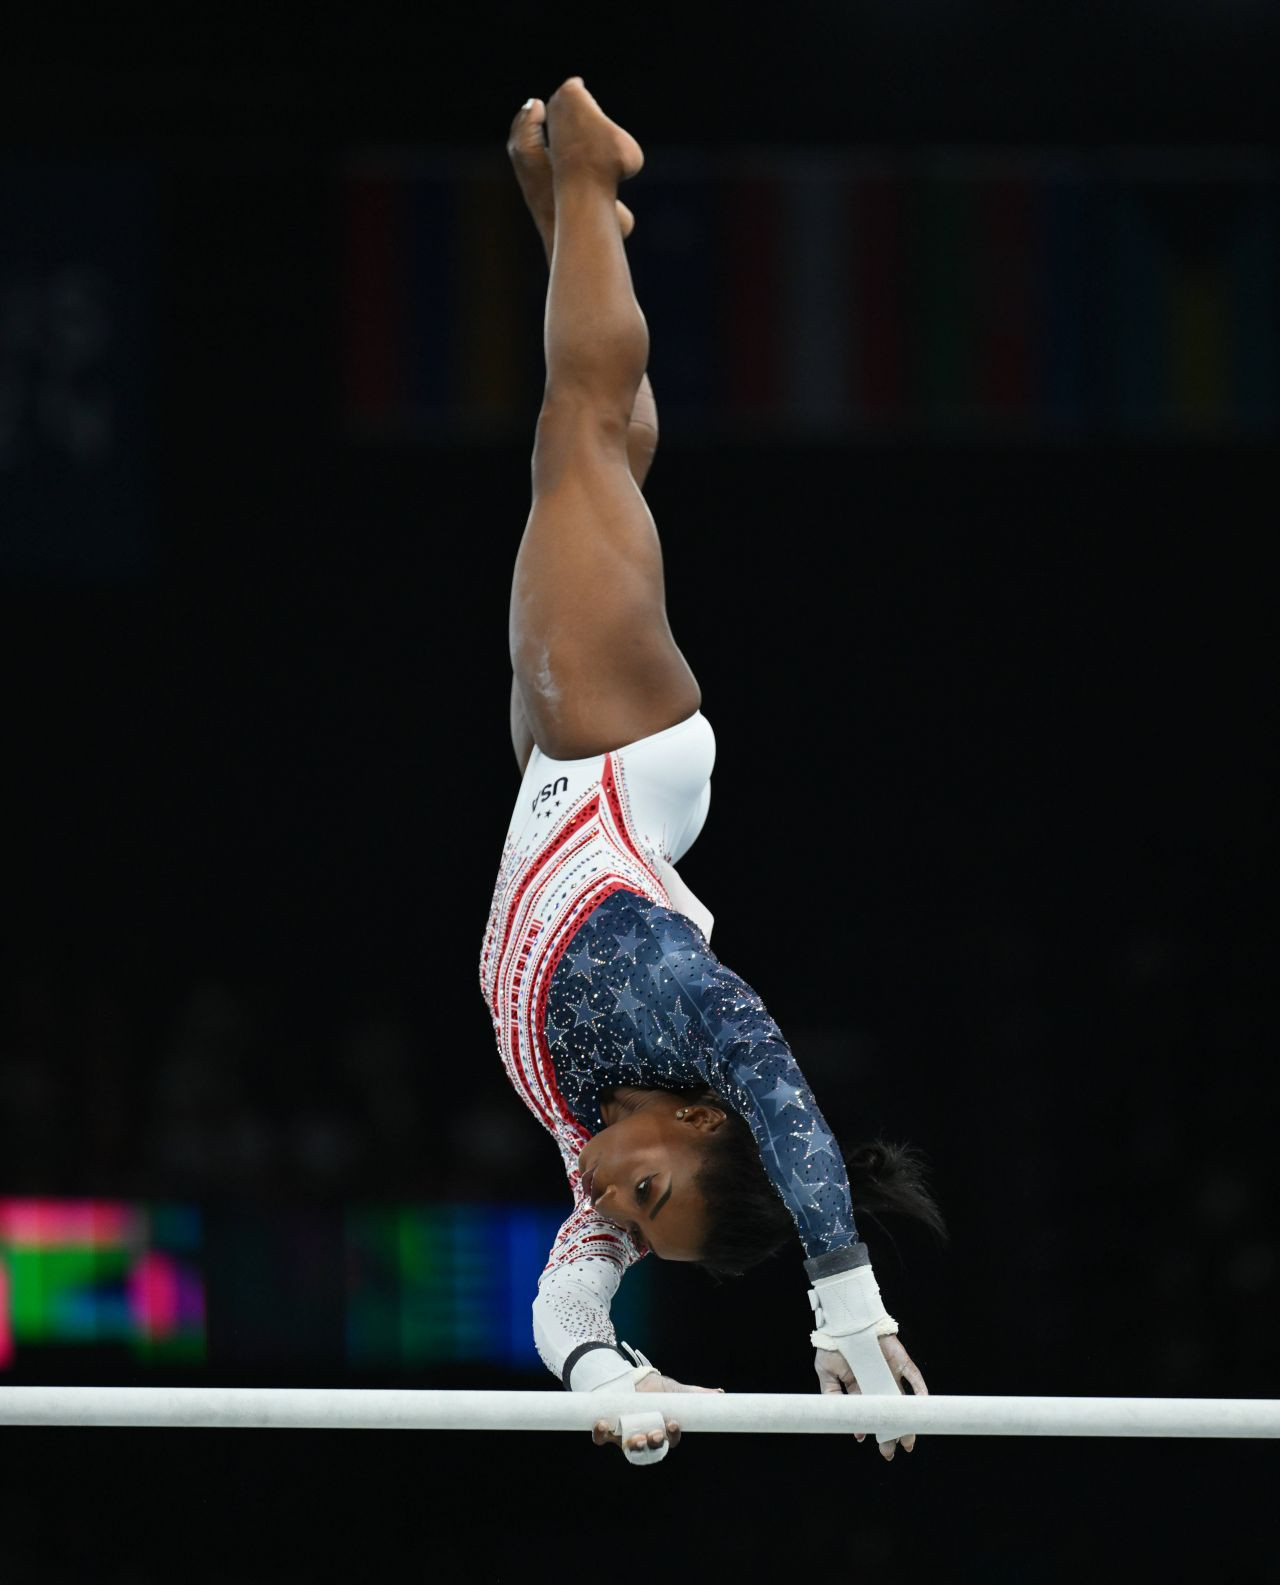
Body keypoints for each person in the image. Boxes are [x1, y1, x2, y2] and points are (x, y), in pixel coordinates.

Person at [480, 77, 945, 1466]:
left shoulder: (595, 1151)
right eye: (656, 1195)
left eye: (631, 1226)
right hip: (613, 740)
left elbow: (563, 1294)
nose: (615, 1207)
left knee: (605, 447)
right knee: (580, 421)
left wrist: (608, 1372)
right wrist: (844, 1295)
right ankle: (583, 165)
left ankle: (580, 216)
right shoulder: (677, 1013)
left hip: (566, 777)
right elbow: (780, 1084)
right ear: (694, 1119)